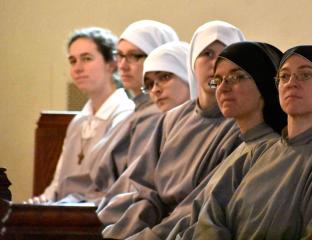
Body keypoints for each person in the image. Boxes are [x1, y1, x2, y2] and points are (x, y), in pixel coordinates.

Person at [97, 20, 245, 240]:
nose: (217, 64)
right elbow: (147, 191)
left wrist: (152, 236)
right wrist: (130, 232)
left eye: (226, 55)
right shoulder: (173, 119)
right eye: (207, 53)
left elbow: (205, 203)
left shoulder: (241, 124)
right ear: (193, 62)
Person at [193, 45, 312, 239]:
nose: (291, 83)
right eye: (284, 76)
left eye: (305, 75)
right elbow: (214, 216)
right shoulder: (265, 152)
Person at [147, 41, 286, 240]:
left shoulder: (271, 152)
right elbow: (196, 216)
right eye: (218, 80)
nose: (223, 88)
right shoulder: (244, 148)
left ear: (264, 81)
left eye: (236, 77)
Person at [53, 24, 183, 204]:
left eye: (135, 56)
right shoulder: (134, 113)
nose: (122, 65)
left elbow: (133, 187)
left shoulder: (156, 116)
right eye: (119, 55)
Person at [26, 27, 135, 204]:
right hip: (65, 209)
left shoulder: (125, 115)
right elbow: (58, 183)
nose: (77, 68)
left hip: (94, 214)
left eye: (86, 59)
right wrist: (42, 201)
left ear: (112, 63)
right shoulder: (78, 122)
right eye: (72, 61)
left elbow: (116, 188)